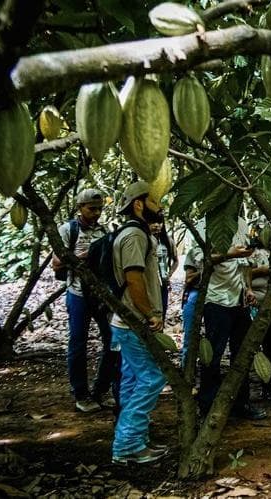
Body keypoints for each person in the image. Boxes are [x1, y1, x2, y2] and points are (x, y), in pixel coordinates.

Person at [109, 181, 167, 464]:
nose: (160, 207)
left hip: (127, 321)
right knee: (152, 378)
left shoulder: (136, 233)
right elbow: (134, 281)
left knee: (133, 381)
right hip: (132, 322)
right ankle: (126, 445)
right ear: (139, 204)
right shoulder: (134, 236)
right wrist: (150, 315)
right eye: (155, 201)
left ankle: (136, 441)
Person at [53, 188, 119, 413]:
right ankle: (81, 393)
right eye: (92, 209)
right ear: (80, 208)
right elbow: (57, 263)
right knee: (78, 342)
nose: (96, 213)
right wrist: (86, 255)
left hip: (101, 293)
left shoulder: (105, 230)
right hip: (78, 293)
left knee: (112, 340)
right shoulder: (68, 230)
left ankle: (102, 388)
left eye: (99, 209)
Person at [197, 219, 266, 421]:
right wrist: (230, 254)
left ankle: (240, 404)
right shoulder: (207, 224)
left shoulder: (242, 224)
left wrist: (249, 288)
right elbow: (205, 260)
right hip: (217, 300)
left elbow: (244, 263)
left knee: (242, 355)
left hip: (239, 299)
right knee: (213, 356)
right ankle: (207, 407)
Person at [247, 231, 271, 401]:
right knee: (250, 347)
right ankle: (248, 389)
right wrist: (262, 270)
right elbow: (245, 274)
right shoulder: (250, 254)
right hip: (253, 305)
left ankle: (268, 386)